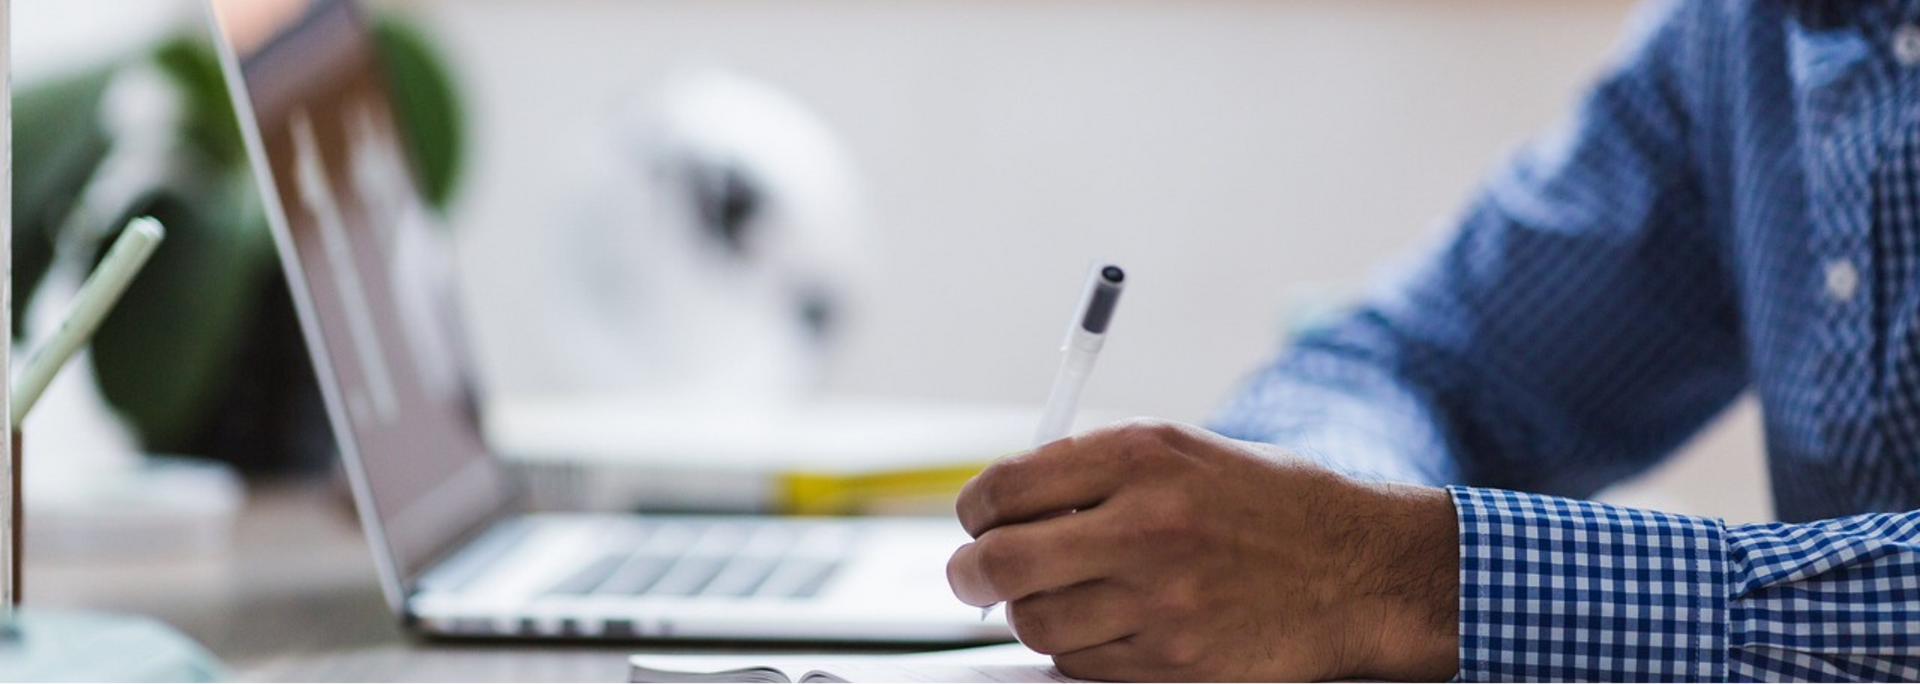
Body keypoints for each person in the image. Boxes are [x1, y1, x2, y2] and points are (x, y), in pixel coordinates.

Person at [945, 0, 1920, 680]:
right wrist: (1305, 522)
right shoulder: (1733, 31)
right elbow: (1420, 364)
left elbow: (1377, 556)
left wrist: (1396, 574)